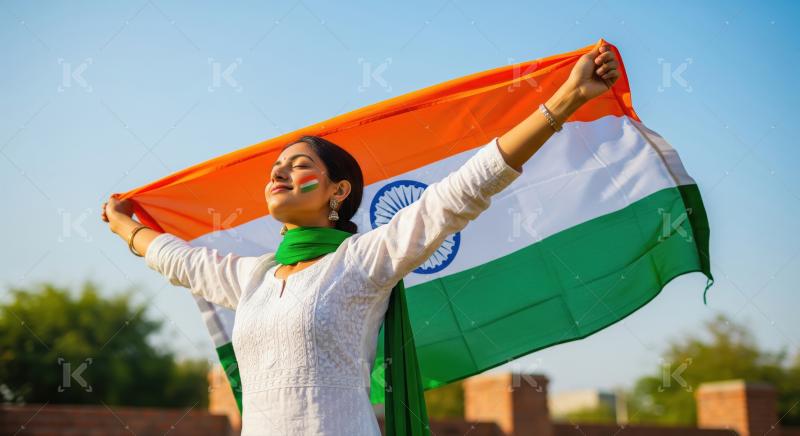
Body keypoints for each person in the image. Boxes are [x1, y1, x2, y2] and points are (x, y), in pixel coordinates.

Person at [102, 44, 619, 435]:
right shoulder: (250, 278)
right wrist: (124, 223)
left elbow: (462, 191)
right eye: (276, 167)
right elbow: (177, 260)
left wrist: (566, 99)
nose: (279, 173)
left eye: (298, 165)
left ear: (338, 191)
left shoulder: (361, 262)